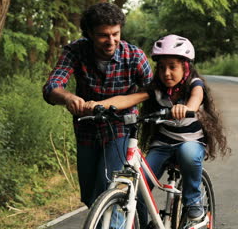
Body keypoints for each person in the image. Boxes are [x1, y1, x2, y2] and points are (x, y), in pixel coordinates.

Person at [86, 34, 229, 226]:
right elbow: (128, 99)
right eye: (161, 67)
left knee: (188, 153)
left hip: (191, 141)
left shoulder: (194, 84)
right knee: (139, 183)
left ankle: (194, 202)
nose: (166, 73)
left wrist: (187, 108)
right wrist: (99, 105)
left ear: (185, 67)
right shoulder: (157, 88)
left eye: (172, 67)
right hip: (163, 144)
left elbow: (196, 97)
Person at [42, 2, 153, 208]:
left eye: (115, 34)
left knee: (107, 190)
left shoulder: (135, 56)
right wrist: (68, 97)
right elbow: (52, 86)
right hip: (87, 128)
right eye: (103, 35)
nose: (111, 41)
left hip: (120, 127)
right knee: (90, 197)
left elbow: (152, 91)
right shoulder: (76, 51)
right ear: (90, 34)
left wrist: (115, 104)